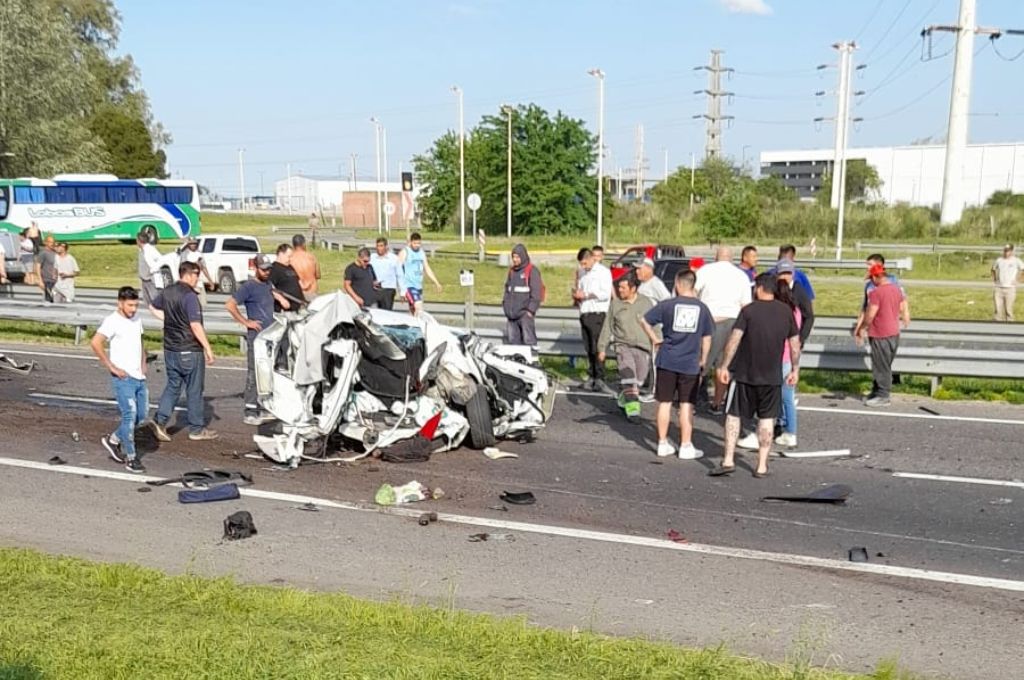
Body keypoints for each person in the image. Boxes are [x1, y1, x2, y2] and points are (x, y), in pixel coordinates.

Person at [712, 273, 801, 478]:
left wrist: (725, 365)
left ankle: (728, 459)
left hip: (745, 373)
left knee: (734, 415)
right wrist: (795, 369)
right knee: (767, 418)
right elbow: (794, 344)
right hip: (772, 375)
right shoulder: (785, 312)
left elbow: (734, 339)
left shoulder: (748, 311)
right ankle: (761, 465)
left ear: (759, 288)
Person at [641, 269, 714, 459]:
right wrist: (703, 359)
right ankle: (685, 445)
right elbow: (707, 337)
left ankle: (662, 443)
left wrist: (655, 339)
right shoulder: (702, 308)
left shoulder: (667, 305)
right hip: (690, 362)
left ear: (678, 283)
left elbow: (644, 320)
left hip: (667, 359)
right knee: (686, 404)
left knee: (664, 402)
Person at [148, 261, 218, 441]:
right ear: (188, 275)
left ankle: (160, 420)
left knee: (173, 386)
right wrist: (207, 348)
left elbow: (152, 307)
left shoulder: (168, 291)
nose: (198, 279)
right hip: (189, 348)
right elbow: (195, 325)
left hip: (170, 348)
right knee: (194, 389)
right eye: (196, 275)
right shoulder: (190, 296)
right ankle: (196, 428)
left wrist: (168, 320)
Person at [90, 287, 148, 473]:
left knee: (141, 415)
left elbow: (140, 342)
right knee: (129, 416)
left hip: (139, 376)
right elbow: (96, 342)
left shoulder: (137, 319)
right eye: (130, 305)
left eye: (136, 305)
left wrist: (143, 362)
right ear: (120, 303)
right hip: (123, 378)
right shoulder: (112, 321)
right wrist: (112, 367)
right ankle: (131, 458)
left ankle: (113, 440)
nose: (133, 309)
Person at [226, 255, 286, 425]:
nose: (267, 272)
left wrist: (279, 298)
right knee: (254, 372)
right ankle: (250, 409)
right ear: (256, 269)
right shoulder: (248, 287)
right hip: (257, 338)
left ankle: (265, 407)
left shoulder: (268, 285)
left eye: (269, 269)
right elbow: (230, 305)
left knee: (269, 372)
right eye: (264, 269)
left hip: (270, 337)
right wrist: (246, 322)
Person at [695, 246, 752, 414]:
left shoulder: (705, 270)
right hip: (733, 321)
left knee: (700, 363)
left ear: (716, 257)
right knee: (724, 365)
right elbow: (746, 305)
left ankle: (689, 401)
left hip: (709, 319)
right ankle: (717, 403)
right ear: (732, 258)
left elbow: (694, 291)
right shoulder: (741, 276)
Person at [599, 272, 656, 419]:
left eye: (623, 288)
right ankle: (633, 412)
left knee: (639, 380)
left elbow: (654, 324)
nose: (620, 290)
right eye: (619, 287)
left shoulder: (646, 303)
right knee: (629, 378)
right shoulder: (615, 304)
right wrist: (602, 348)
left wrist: (658, 342)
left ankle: (624, 398)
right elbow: (607, 327)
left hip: (643, 348)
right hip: (623, 346)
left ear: (633, 288)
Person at [856, 262, 910, 407]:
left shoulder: (876, 293)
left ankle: (883, 396)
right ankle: (877, 391)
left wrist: (862, 328)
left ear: (875, 277)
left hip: (880, 333)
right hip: (894, 332)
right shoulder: (896, 289)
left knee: (881, 366)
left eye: (871, 278)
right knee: (885, 364)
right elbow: (901, 306)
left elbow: (870, 314)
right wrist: (905, 316)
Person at [573, 247, 613, 391]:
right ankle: (592, 376)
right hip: (585, 312)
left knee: (598, 347)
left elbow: (605, 293)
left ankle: (600, 377)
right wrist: (577, 296)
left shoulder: (603, 272)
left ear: (591, 259)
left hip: (598, 313)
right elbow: (580, 289)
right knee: (588, 347)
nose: (583, 266)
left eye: (584, 263)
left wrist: (587, 294)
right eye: (581, 264)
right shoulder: (582, 273)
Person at [774, 275, 803, 448]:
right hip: (789, 356)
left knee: (784, 396)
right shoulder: (796, 310)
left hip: (780, 356)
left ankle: (790, 431)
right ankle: (787, 427)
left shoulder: (779, 311)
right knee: (787, 396)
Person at [853, 254, 906, 341]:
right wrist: (859, 328)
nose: (867, 268)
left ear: (879, 265)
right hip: (876, 331)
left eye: (870, 264)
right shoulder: (869, 286)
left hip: (888, 331)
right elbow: (865, 309)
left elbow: (902, 298)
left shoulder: (892, 280)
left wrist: (905, 313)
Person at [502, 244, 544, 346]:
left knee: (529, 342)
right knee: (514, 345)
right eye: (513, 257)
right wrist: (505, 307)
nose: (515, 260)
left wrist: (530, 311)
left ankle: (532, 361)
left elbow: (536, 293)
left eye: (517, 257)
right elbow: (507, 290)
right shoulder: (512, 272)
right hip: (511, 316)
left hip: (525, 316)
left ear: (523, 256)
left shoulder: (531, 271)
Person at [398, 232, 442, 315]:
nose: (417, 245)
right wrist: (402, 290)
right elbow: (398, 269)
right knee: (419, 307)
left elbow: (427, 268)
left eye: (418, 243)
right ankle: (419, 325)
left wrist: (436, 282)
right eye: (415, 243)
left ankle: (413, 325)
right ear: (410, 242)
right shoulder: (405, 252)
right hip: (409, 285)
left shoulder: (421, 253)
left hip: (418, 285)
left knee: (413, 309)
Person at [778, 244, 815, 337]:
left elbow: (808, 307)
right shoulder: (770, 278)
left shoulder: (800, 279)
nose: (785, 276)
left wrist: (802, 336)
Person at [991, 244, 1023, 322]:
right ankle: (997, 326)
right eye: (1005, 251)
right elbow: (993, 269)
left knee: (1008, 310)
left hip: (1010, 289)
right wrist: (995, 279)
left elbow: (1023, 269)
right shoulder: (999, 260)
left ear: (1011, 251)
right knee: (997, 310)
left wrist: (1019, 280)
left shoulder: (1016, 261)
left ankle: (1010, 325)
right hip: (999, 288)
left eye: (1008, 251)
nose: (1006, 253)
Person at [269, 243, 305, 312]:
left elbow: (297, 281)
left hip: (297, 306)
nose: (290, 259)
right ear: (281, 254)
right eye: (289, 256)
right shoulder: (274, 269)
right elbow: (269, 287)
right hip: (284, 309)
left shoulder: (290, 267)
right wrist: (281, 299)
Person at [179, 237, 212, 307]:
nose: (193, 245)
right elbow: (183, 267)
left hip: (199, 280)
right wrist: (194, 265)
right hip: (189, 281)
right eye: (191, 244)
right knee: (191, 300)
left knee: (202, 301)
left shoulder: (199, 253)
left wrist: (210, 280)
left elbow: (204, 267)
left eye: (195, 243)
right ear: (188, 244)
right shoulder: (185, 254)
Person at [370, 237, 401, 310]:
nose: (379, 248)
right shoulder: (372, 258)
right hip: (375, 289)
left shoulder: (394, 258)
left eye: (381, 246)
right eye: (377, 246)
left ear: (386, 247)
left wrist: (402, 291)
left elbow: (400, 275)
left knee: (386, 313)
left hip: (388, 289)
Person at [290, 234, 321, 301]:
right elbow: (318, 275)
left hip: (297, 293)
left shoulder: (290, 259)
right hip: (312, 291)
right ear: (304, 244)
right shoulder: (312, 257)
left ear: (293, 245)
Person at [136, 231, 162, 306]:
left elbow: (161, 260)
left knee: (155, 300)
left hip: (151, 280)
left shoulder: (150, 250)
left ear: (139, 240)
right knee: (147, 301)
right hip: (144, 279)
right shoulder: (142, 250)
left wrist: (152, 271)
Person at [38, 236, 58, 303]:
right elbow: (37, 267)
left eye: (53, 242)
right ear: (45, 243)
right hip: (47, 281)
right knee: (48, 301)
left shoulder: (55, 252)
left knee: (56, 300)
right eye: (50, 242)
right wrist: (40, 281)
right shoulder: (43, 253)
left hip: (56, 280)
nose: (52, 244)